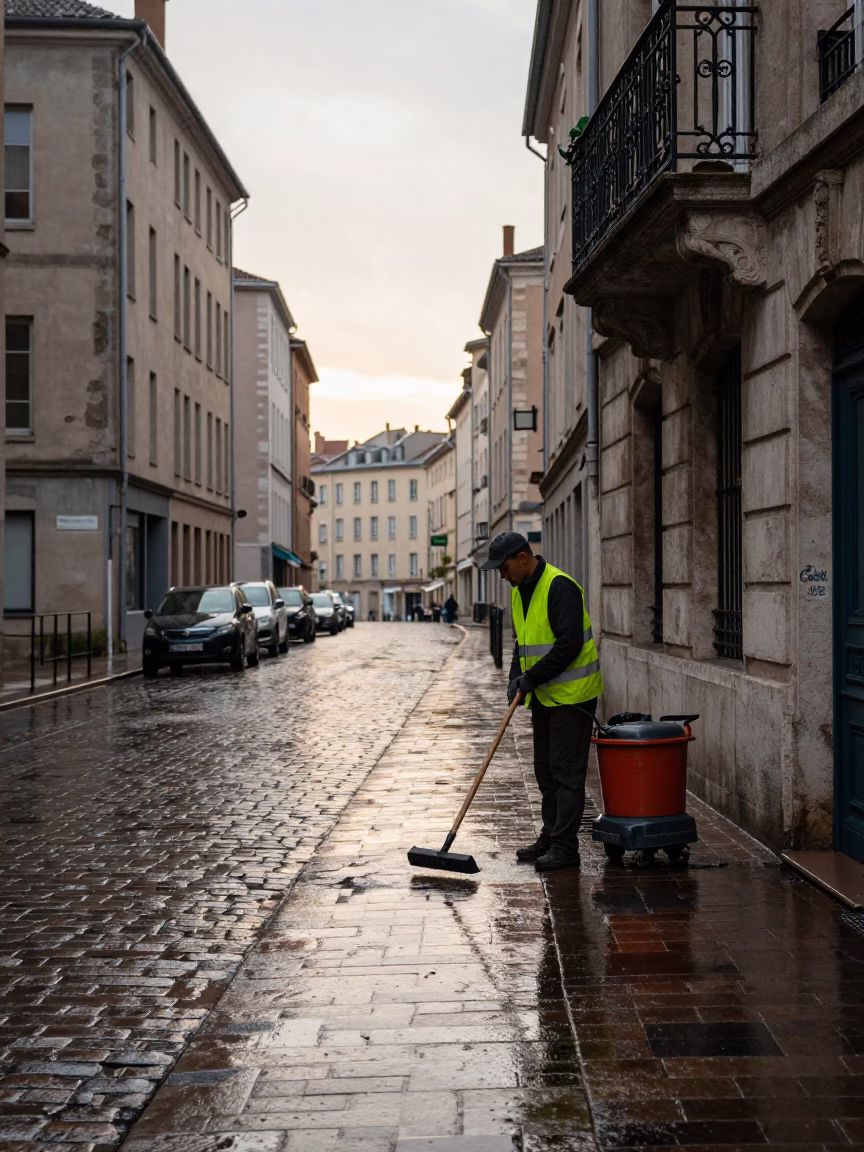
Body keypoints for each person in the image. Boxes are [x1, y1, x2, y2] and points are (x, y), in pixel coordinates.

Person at [480, 532, 603, 872]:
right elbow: (524, 643)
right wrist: (514, 679)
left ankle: (565, 847)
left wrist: (530, 679)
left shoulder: (559, 586)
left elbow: (569, 646)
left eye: (504, 568)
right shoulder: (519, 592)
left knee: (566, 773)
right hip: (545, 697)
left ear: (523, 558)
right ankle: (550, 836)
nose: (502, 575)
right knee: (545, 771)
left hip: (573, 697)